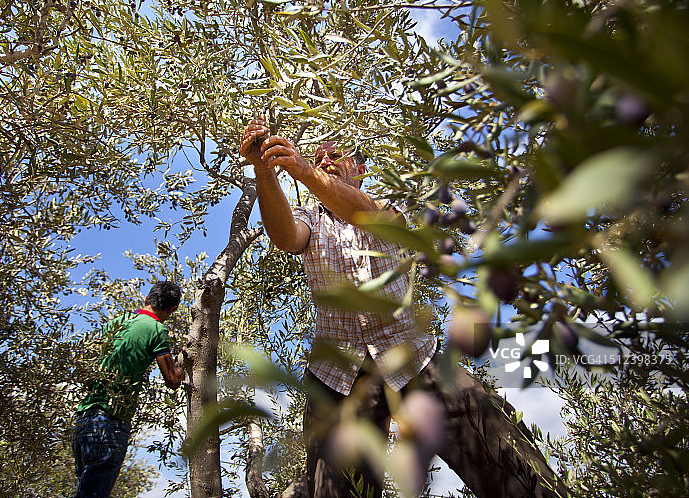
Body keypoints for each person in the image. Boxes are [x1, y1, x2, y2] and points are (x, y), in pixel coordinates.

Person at [240, 117, 562, 498]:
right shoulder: (310, 219)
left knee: (505, 453)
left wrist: (305, 170)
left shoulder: (388, 208)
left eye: (335, 155)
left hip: (416, 361)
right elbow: (284, 236)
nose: (325, 161)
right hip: (336, 378)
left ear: (360, 169)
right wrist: (264, 169)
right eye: (318, 157)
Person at [72, 281, 185, 498]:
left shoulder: (117, 323)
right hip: (110, 423)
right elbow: (172, 380)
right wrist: (184, 360)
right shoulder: (156, 329)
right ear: (171, 310)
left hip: (84, 421)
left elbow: (87, 364)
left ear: (146, 299)